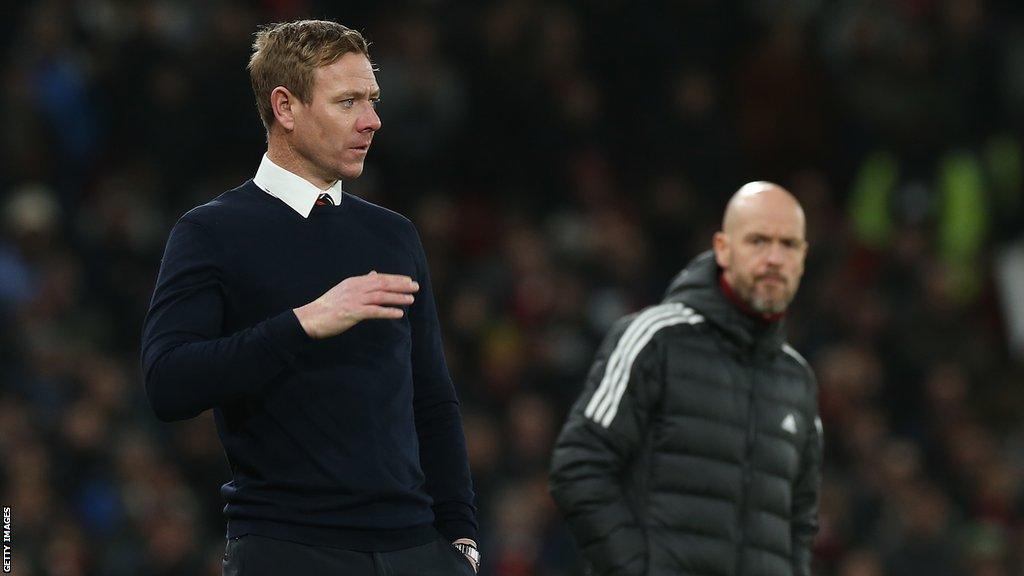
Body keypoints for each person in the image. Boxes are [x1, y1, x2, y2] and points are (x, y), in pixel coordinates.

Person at [141, 20, 479, 576]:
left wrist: (462, 537)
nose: (372, 120)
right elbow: (167, 383)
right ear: (286, 107)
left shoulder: (393, 236)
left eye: (372, 99)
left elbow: (433, 400)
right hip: (289, 549)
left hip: (416, 549)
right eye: (348, 102)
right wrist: (303, 323)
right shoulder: (211, 233)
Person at [549, 182, 822, 576]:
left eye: (788, 245)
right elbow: (578, 465)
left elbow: (800, 521)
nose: (774, 258)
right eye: (758, 241)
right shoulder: (655, 340)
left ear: (803, 257)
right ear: (723, 248)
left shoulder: (797, 380)